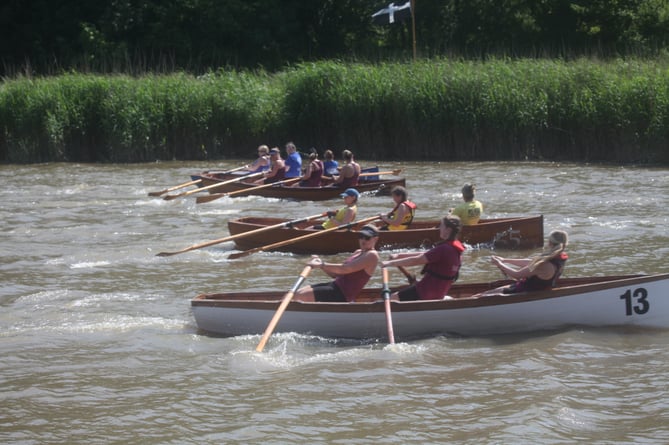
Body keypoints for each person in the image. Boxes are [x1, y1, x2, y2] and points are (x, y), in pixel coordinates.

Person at [381, 215, 465, 301]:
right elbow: (425, 254)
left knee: (392, 298)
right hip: (438, 292)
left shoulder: (443, 249)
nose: (439, 228)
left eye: (441, 226)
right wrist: (399, 256)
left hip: (425, 292)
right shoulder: (454, 249)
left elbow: (417, 260)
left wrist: (390, 263)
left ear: (448, 230)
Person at [294, 225, 380, 302]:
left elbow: (345, 269)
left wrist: (322, 264)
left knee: (300, 296)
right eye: (361, 236)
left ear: (375, 239)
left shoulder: (372, 255)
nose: (363, 240)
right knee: (297, 293)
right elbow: (335, 274)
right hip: (335, 286)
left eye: (367, 238)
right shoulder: (357, 252)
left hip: (343, 294)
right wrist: (320, 264)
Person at [488, 230, 569, 294]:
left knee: (481, 296)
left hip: (525, 292)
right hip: (533, 288)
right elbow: (530, 262)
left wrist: (499, 264)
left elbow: (516, 275)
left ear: (550, 243)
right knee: (488, 293)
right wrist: (504, 260)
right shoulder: (559, 257)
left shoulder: (545, 265)